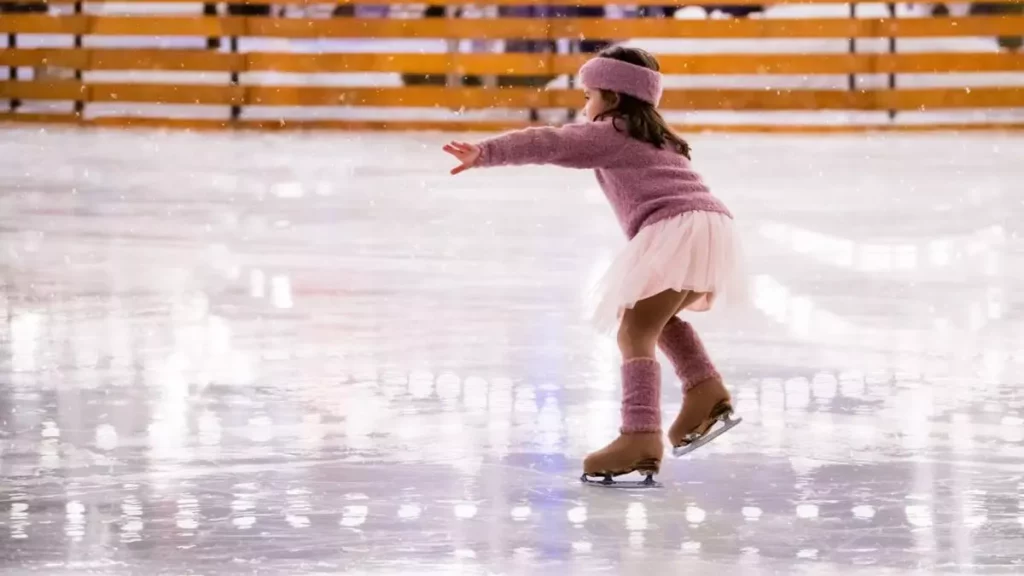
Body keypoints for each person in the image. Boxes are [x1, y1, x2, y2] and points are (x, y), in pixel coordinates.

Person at [442, 46, 745, 485]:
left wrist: (486, 152)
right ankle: (704, 389)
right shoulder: (656, 135)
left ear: (615, 97)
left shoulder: (611, 131)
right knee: (653, 317)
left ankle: (640, 435)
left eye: (589, 95)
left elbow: (550, 142)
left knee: (634, 329)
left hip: (676, 227)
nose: (585, 106)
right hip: (709, 224)